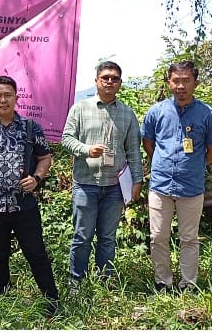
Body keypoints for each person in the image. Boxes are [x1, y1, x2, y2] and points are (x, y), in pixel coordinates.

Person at [0, 76, 59, 318]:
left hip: (24, 206)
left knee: (36, 253)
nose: (3, 100)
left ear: (17, 97)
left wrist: (37, 178)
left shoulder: (30, 127)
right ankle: (3, 302)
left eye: (8, 95)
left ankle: (52, 302)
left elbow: (45, 157)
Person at [141, 60, 212, 291]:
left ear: (195, 83)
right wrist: (163, 162)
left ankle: (188, 284)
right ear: (169, 83)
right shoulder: (156, 112)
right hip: (160, 185)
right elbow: (148, 144)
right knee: (158, 236)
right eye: (176, 80)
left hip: (192, 186)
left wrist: (194, 165)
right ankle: (163, 282)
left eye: (186, 80)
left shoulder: (208, 114)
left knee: (189, 238)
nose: (181, 86)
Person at [61, 61, 144, 289]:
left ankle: (104, 284)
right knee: (82, 237)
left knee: (107, 239)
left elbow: (133, 151)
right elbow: (66, 140)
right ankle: (75, 284)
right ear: (96, 80)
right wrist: (86, 149)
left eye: (114, 78)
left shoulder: (127, 114)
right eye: (105, 77)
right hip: (85, 183)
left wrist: (137, 180)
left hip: (115, 187)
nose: (109, 81)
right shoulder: (80, 108)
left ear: (119, 83)